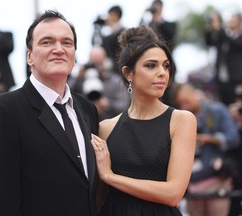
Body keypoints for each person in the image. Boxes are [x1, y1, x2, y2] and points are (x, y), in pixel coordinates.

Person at [0, 10, 99, 216]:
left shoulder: (87, 109)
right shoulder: (3, 111)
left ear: (75, 56)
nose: (58, 49)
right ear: (29, 56)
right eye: (47, 42)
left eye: (66, 43)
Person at [91, 25, 197, 215]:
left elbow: (173, 193)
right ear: (128, 73)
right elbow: (99, 195)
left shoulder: (181, 120)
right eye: (151, 65)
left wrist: (110, 176)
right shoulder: (106, 128)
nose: (162, 73)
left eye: (165, 65)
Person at [172, 83, 240, 216]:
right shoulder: (182, 118)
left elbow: (234, 138)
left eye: (186, 102)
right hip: (192, 185)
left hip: (217, 181)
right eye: (181, 104)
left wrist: (209, 139)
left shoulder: (216, 111)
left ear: (195, 94)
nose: (185, 106)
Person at [68, 46, 130, 120]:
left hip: (111, 125)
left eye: (99, 63)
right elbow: (66, 93)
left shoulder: (115, 81)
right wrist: (78, 77)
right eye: (94, 63)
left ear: (105, 61)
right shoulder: (81, 79)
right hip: (87, 124)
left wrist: (108, 104)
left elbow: (124, 105)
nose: (97, 67)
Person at [204, 11, 242, 106]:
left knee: (235, 105)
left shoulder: (236, 37)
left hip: (236, 79)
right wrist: (209, 28)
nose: (230, 22)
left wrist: (219, 28)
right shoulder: (225, 36)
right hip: (221, 78)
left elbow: (235, 43)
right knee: (223, 104)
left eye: (233, 20)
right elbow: (209, 42)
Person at [92, 5, 125, 73]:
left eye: (109, 15)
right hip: (111, 71)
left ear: (114, 15)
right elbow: (95, 45)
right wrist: (97, 28)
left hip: (119, 71)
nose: (107, 18)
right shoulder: (108, 36)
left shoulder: (123, 32)